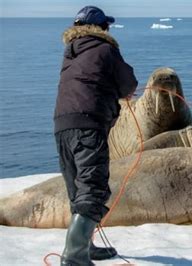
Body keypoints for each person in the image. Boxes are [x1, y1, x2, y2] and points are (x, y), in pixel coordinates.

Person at [53, 6, 137, 265]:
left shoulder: (70, 53)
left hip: (62, 125)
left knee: (78, 190)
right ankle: (74, 257)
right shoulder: (106, 49)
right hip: (88, 126)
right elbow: (128, 83)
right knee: (93, 189)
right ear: (102, 27)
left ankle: (86, 248)